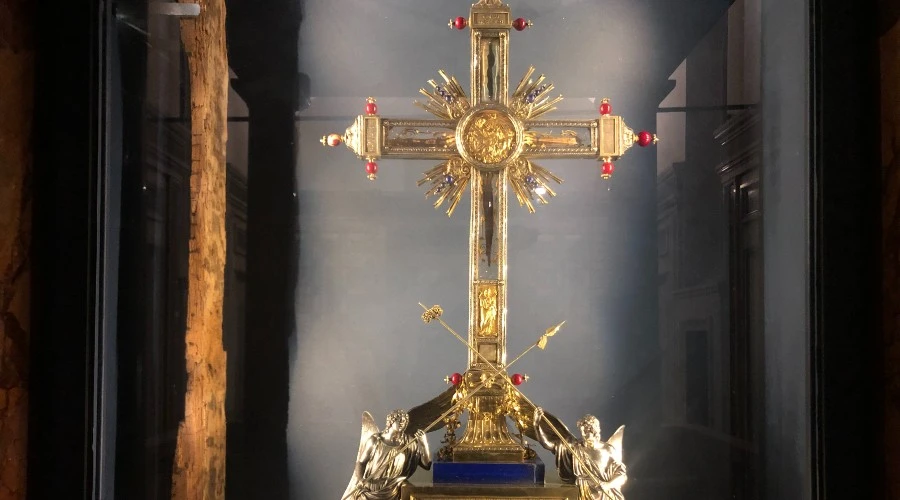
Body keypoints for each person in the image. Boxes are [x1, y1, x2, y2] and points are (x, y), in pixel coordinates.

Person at [533, 407, 627, 500]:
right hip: (582, 493)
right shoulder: (574, 447)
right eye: (584, 430)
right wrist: (536, 426)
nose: (587, 432)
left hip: (604, 495)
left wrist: (608, 485)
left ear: (596, 430)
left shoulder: (607, 450)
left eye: (590, 429)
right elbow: (548, 445)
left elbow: (622, 476)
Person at [341, 410, 432, 500]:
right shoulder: (375, 440)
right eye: (399, 420)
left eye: (405, 421)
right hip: (372, 487)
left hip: (395, 488)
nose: (402, 423)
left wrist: (424, 444)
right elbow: (361, 463)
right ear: (391, 421)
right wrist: (360, 480)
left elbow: (426, 465)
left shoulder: (409, 443)